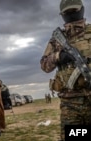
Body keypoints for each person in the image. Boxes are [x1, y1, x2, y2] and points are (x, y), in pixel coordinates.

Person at [40, 0, 91, 140]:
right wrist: (58, 56)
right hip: (70, 104)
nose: (71, 15)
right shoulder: (57, 40)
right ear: (62, 15)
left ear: (82, 10)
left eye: (74, 11)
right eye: (67, 12)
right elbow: (44, 65)